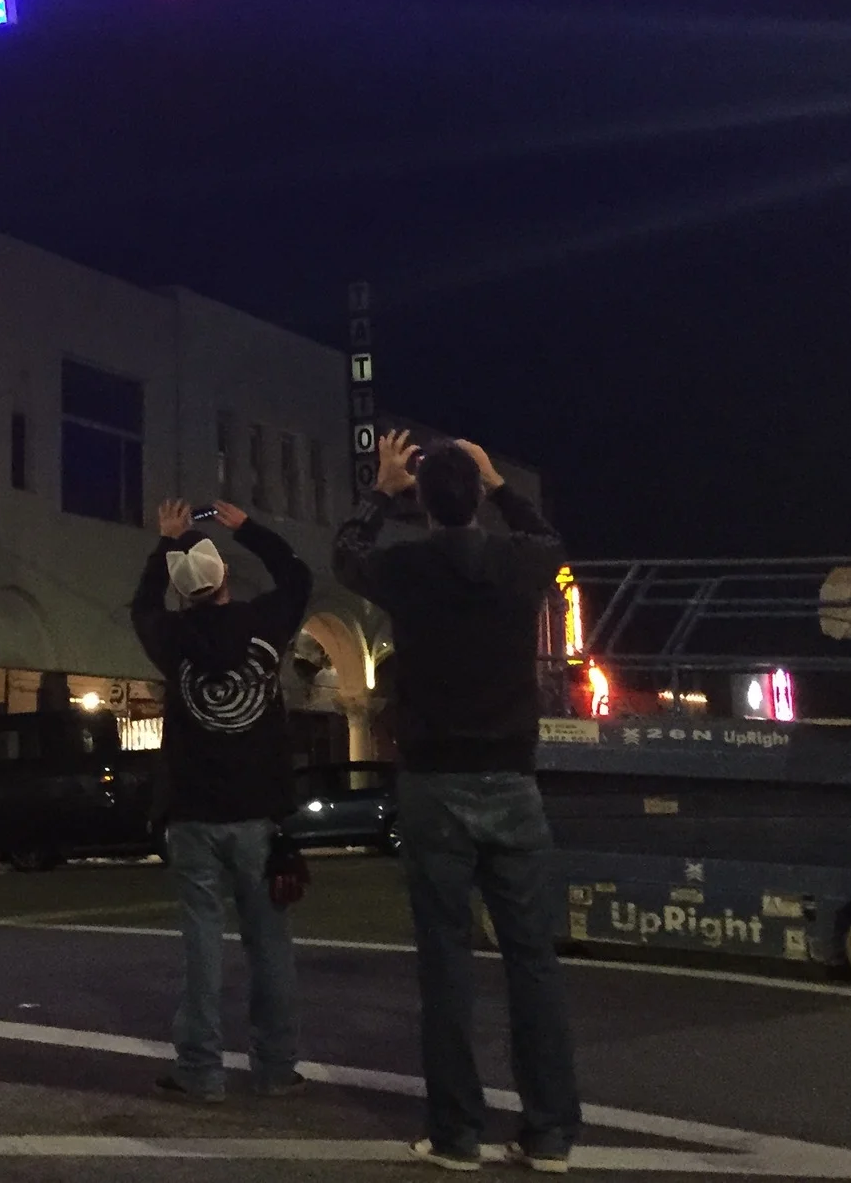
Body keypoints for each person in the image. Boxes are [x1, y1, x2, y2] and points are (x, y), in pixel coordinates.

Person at [333, 430, 582, 1174]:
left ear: (424, 505)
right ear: (476, 499)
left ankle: (456, 1131)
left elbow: (345, 554)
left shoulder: (407, 567)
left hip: (434, 781)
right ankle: (549, 1132)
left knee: (444, 961)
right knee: (532, 960)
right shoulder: (516, 564)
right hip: (512, 778)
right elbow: (547, 535)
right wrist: (500, 478)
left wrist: (380, 487)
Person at [130, 495, 314, 1102]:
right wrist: (250, 528)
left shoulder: (173, 637)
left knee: (202, 942)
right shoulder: (265, 624)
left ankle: (202, 1070)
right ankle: (276, 1066)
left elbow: (140, 606)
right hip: (259, 812)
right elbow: (299, 576)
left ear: (186, 593)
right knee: (269, 944)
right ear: (225, 579)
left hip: (192, 812)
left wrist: (166, 543)